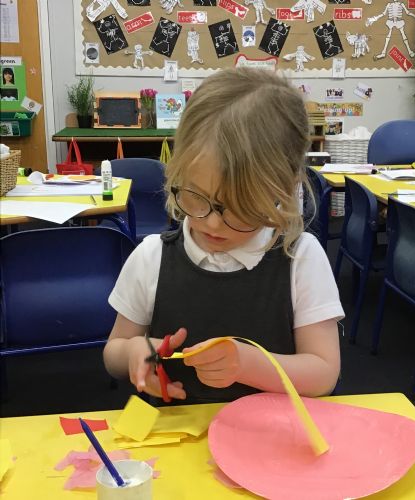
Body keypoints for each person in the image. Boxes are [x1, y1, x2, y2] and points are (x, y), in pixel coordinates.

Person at [103, 67, 344, 404]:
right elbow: (112, 353)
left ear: (283, 189)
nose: (213, 224)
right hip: (175, 430)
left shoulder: (301, 258)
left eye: (241, 208)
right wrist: (133, 351)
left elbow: (324, 374)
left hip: (269, 432)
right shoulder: (151, 258)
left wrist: (248, 364)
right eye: (195, 196)